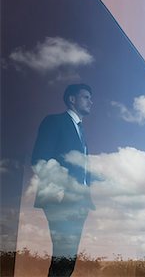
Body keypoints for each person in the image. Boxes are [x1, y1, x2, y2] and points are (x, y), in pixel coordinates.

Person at [31, 84, 95, 277]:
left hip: (80, 201)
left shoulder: (80, 131)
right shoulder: (55, 121)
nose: (91, 101)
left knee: (67, 259)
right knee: (64, 256)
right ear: (72, 99)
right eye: (86, 97)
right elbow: (40, 159)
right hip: (63, 198)